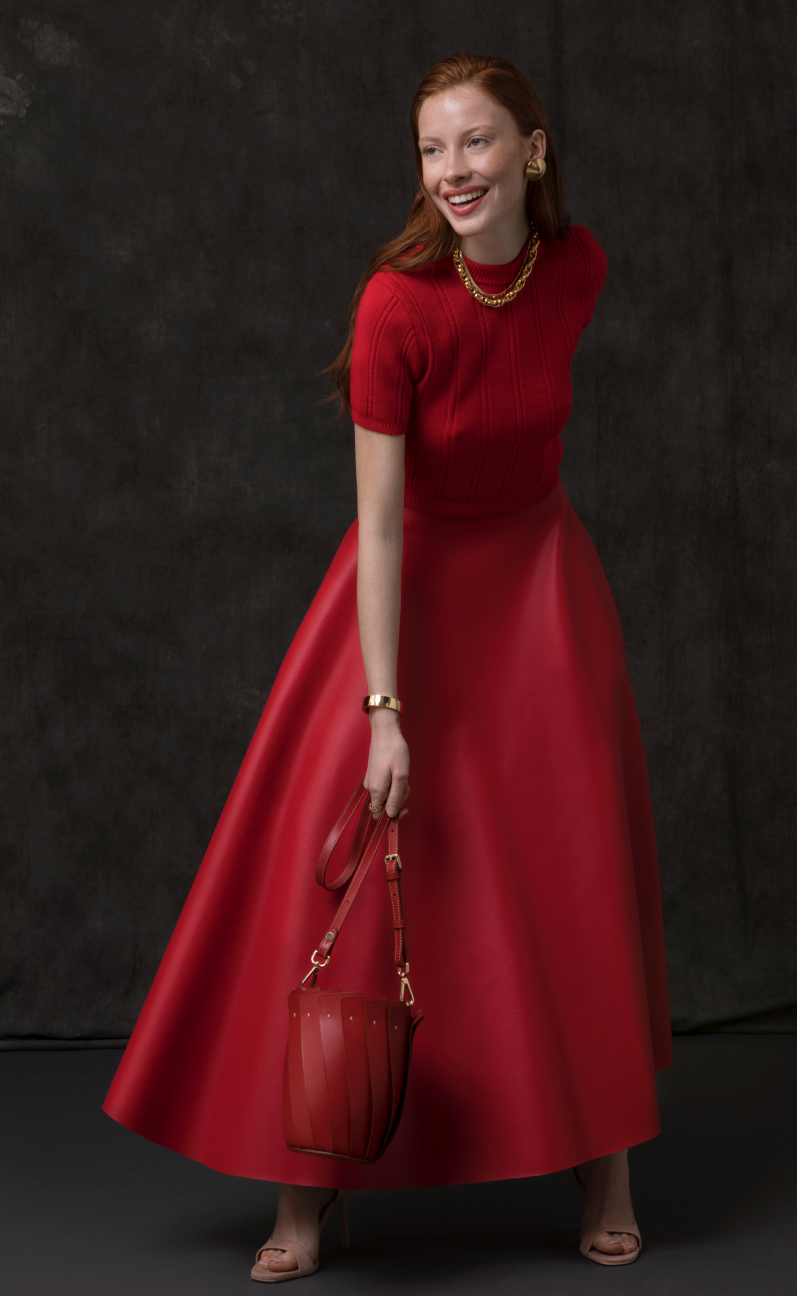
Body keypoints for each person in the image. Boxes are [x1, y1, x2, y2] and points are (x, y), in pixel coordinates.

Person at [104, 52, 673, 1280]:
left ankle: (608, 1170)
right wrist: (385, 710)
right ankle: (305, 1196)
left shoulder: (577, 269)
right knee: (349, 877)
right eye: (430, 149)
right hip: (408, 596)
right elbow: (377, 523)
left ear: (530, 150)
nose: (450, 172)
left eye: (473, 144)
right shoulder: (395, 305)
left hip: (540, 590)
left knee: (572, 873)